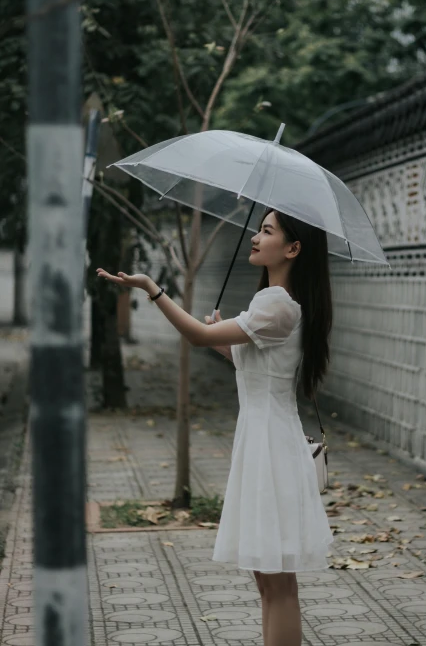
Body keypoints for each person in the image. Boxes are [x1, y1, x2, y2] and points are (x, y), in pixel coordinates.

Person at [97, 208, 334, 646]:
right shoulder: (281, 303)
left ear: (293, 248)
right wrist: (227, 341)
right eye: (258, 229)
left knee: (277, 585)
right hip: (266, 443)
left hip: (270, 449)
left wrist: (153, 289)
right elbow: (251, 364)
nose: (255, 238)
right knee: (271, 583)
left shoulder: (276, 303)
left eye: (267, 231)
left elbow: (197, 338)